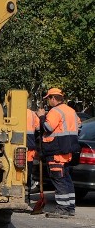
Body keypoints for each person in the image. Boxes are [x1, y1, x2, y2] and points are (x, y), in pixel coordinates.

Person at [37, 88, 81, 218]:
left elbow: (48, 127)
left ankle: (62, 208)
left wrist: (41, 116)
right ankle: (70, 207)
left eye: (48, 99)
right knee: (66, 179)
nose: (48, 102)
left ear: (54, 98)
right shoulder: (71, 111)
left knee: (59, 179)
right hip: (67, 151)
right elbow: (79, 126)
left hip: (56, 151)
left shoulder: (55, 111)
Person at [26, 107, 40, 193]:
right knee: (28, 170)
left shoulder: (10, 111)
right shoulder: (31, 113)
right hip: (30, 144)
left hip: (14, 145)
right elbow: (38, 128)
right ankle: (27, 194)